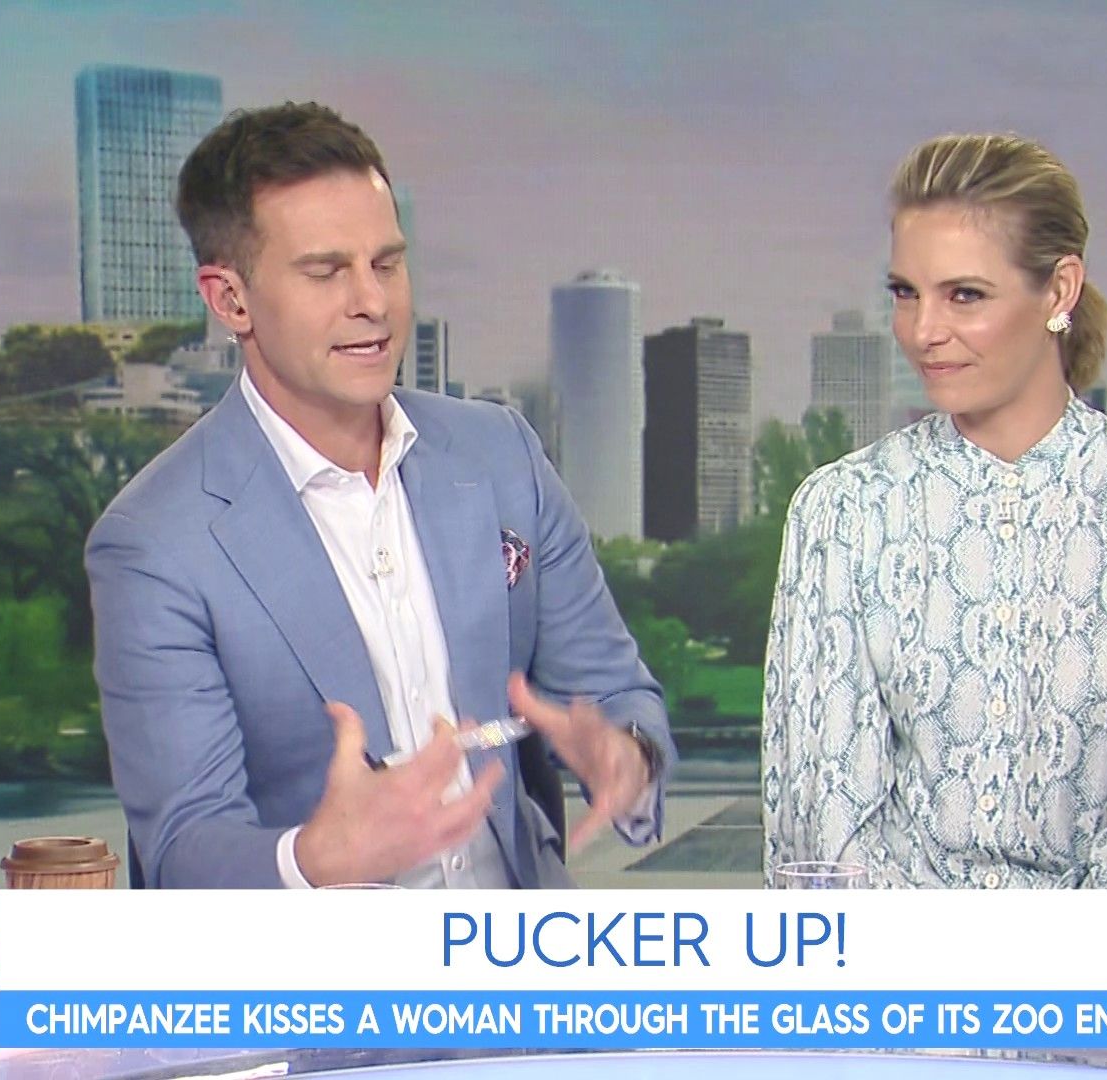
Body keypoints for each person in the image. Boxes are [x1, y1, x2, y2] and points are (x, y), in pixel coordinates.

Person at [87, 102, 673, 889]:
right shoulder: (157, 543)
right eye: (326, 272)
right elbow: (184, 850)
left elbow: (616, 690)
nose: (373, 302)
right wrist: (318, 860)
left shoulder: (502, 454)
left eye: (387, 264)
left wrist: (625, 757)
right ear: (230, 300)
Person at [762, 133, 1107, 888]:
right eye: (905, 292)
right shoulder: (843, 514)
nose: (923, 331)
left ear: (1059, 291)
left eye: (964, 295)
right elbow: (827, 828)